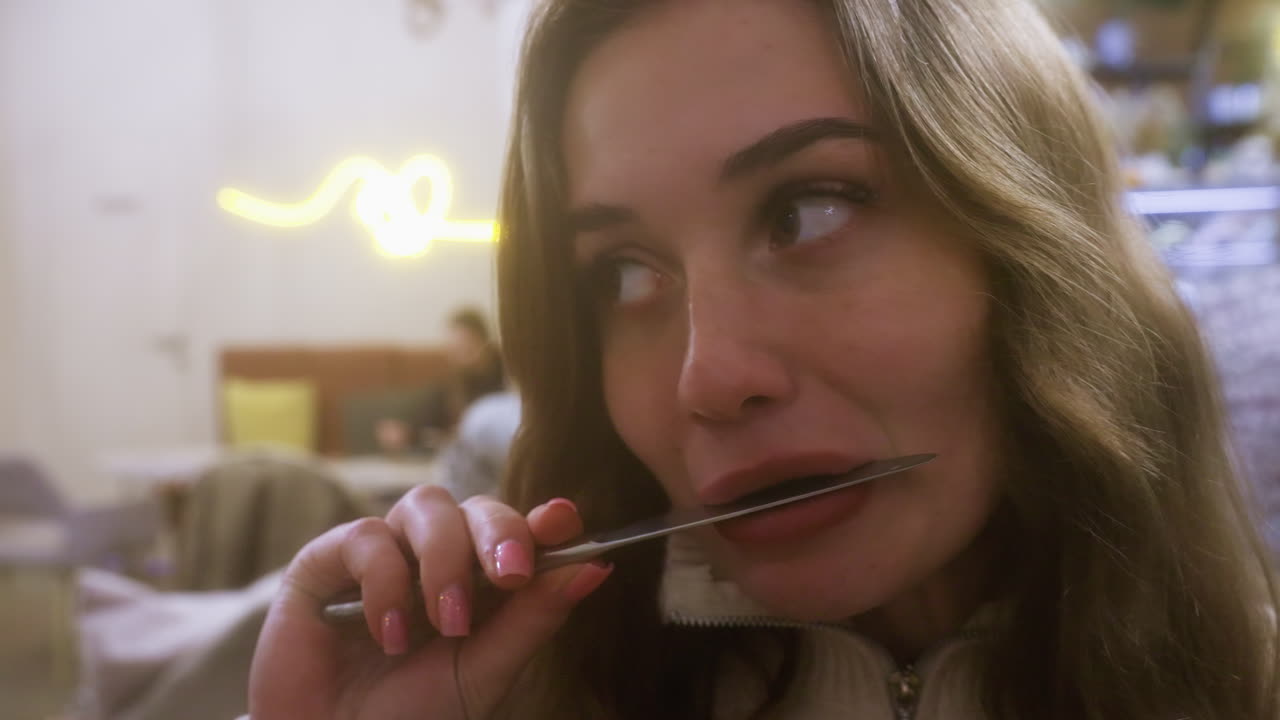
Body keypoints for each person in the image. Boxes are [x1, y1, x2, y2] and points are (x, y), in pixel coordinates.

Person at [247, 1, 1280, 718]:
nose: (706, 376)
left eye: (807, 210)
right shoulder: (528, 700)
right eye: (622, 275)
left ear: (1035, 254)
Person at [375, 307, 507, 453]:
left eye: (465, 348)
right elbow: (426, 409)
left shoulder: (507, 377)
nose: (458, 357)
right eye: (453, 350)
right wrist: (405, 429)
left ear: (484, 344)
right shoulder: (454, 380)